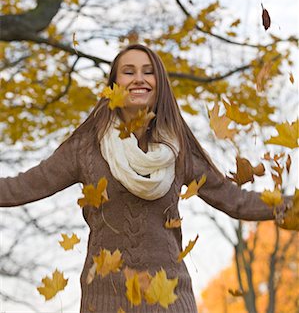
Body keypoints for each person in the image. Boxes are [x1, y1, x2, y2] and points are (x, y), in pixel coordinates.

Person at [0, 44, 290, 313]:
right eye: (129, 72)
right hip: (105, 301)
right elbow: (22, 187)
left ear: (159, 84)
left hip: (172, 300)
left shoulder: (179, 149)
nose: (139, 78)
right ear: (114, 85)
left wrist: (291, 204)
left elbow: (235, 200)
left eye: (148, 72)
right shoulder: (87, 147)